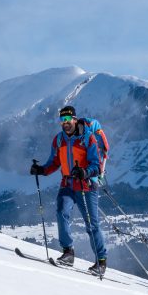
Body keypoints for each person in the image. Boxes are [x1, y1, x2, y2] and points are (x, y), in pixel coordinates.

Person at [30, 105, 108, 275]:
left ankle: (101, 261)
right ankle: (68, 252)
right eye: (61, 120)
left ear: (74, 119)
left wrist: (85, 172)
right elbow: (54, 162)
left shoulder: (88, 139)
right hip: (67, 184)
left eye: (67, 119)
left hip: (86, 186)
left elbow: (96, 164)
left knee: (91, 225)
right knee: (61, 212)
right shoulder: (59, 140)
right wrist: (41, 170)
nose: (64, 123)